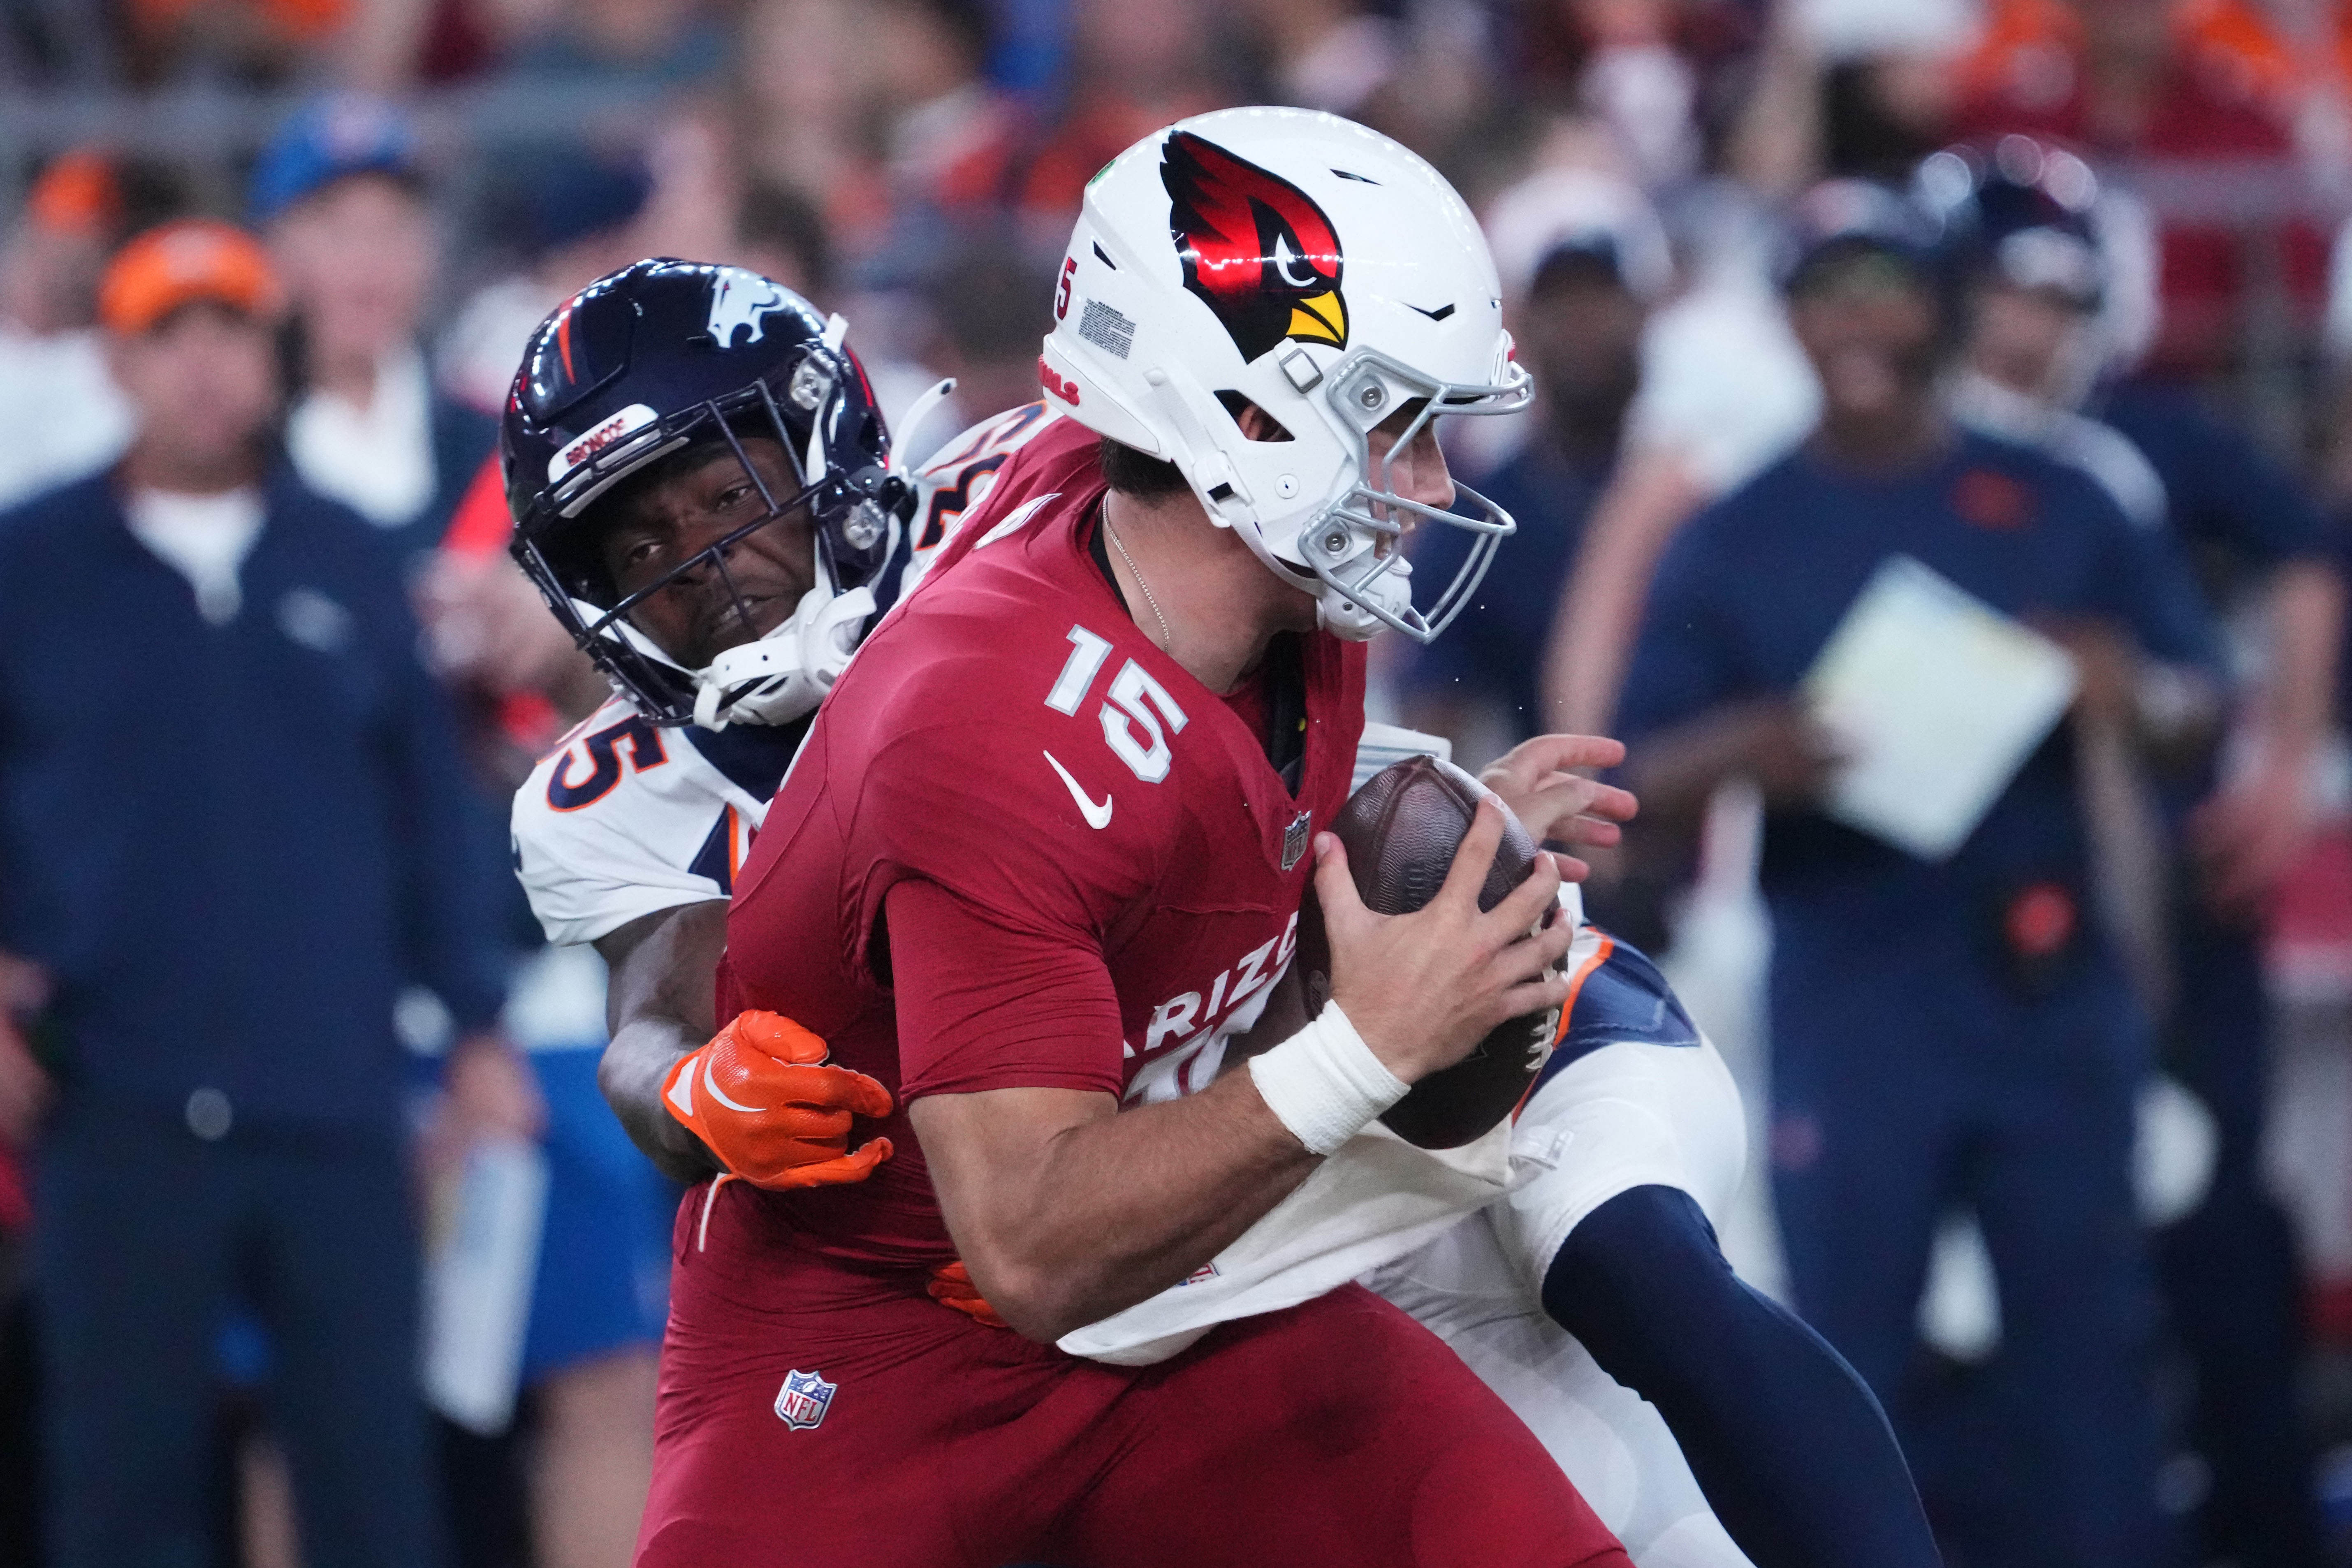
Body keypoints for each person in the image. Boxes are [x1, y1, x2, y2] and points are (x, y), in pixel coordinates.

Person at [1612, 183, 2225, 1568]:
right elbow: (1631, 777)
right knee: (1841, 1369)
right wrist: (1744, 748)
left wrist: (2127, 686)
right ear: (1784, 315)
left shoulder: (2065, 499)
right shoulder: (1737, 530)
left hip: (2045, 995)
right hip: (1851, 993)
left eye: (1885, 283)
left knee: (2087, 1380)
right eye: (1825, 288)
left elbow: (2200, 702)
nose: (1857, 319)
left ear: (1940, 305)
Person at [0, 218, 538, 1568]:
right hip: (113, 1102)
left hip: (335, 1104)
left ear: (271, 356)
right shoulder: (31, 566)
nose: (200, 367)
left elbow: (425, 807)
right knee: (121, 1492)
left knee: (373, 1489)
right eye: (165, 335)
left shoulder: (348, 558)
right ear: (115, 364)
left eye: (229, 331)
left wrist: (474, 1024)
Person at [1936, 134, 2341, 1568]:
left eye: (2046, 293)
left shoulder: (2122, 456)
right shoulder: (1867, 462)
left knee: (2213, 1229)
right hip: (1941, 933)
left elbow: (2255, 601)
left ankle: (2258, 1525)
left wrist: (2279, 755)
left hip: (2148, 904)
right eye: (1992, 288)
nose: (2017, 324)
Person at [254, 94, 500, 563]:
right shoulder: (235, 452)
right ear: (274, 250)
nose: (370, 261)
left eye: (395, 226)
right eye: (339, 230)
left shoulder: (497, 445)